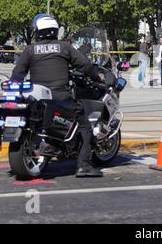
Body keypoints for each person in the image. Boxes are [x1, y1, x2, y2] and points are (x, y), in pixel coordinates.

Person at [10, 13, 104, 178]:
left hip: (38, 99)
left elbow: (17, 74)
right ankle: (84, 166)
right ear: (54, 30)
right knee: (85, 126)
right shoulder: (64, 47)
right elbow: (86, 65)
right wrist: (98, 77)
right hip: (60, 97)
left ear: (38, 32)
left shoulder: (30, 50)